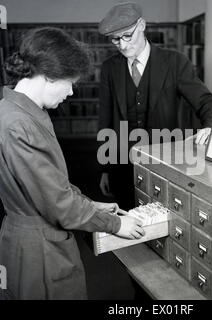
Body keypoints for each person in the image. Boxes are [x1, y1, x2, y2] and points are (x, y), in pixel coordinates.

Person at [0, 27, 145, 300]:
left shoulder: (19, 112)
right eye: (69, 82)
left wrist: (90, 204)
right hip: (38, 251)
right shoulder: (19, 124)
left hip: (30, 239)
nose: (70, 92)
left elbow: (50, 185)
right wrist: (115, 225)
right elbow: (57, 204)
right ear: (48, 76)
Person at [98, 2, 212, 210]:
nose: (123, 45)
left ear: (142, 25)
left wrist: (209, 127)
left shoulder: (175, 62)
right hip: (123, 165)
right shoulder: (110, 68)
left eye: (127, 35)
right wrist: (105, 169)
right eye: (115, 39)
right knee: (129, 220)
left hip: (167, 162)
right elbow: (105, 119)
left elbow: (206, 101)